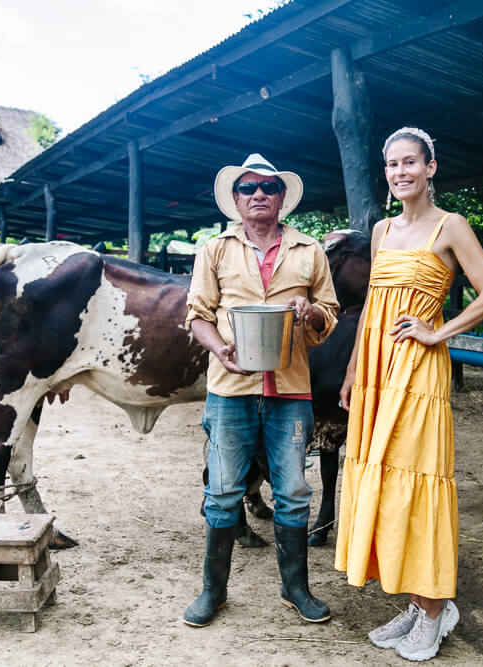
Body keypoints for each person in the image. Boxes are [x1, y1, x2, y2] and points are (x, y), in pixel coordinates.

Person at [335, 128, 483, 661]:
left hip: (418, 373)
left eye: (410, 162)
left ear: (431, 167)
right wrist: (350, 373)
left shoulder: (450, 225)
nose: (400, 172)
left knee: (417, 482)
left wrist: (437, 332)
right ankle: (416, 601)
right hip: (375, 374)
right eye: (391, 164)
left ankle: (435, 610)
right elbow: (370, 313)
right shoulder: (382, 230)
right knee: (385, 484)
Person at [184, 153, 339, 627]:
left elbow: (328, 315)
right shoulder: (215, 250)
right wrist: (220, 350)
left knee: (293, 490)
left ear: (281, 198)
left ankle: (295, 588)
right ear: (235, 199)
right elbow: (197, 315)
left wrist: (309, 311)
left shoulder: (309, 251)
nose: (258, 195)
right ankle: (214, 591)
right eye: (248, 188)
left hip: (289, 392)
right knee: (224, 490)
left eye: (268, 188)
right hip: (230, 388)